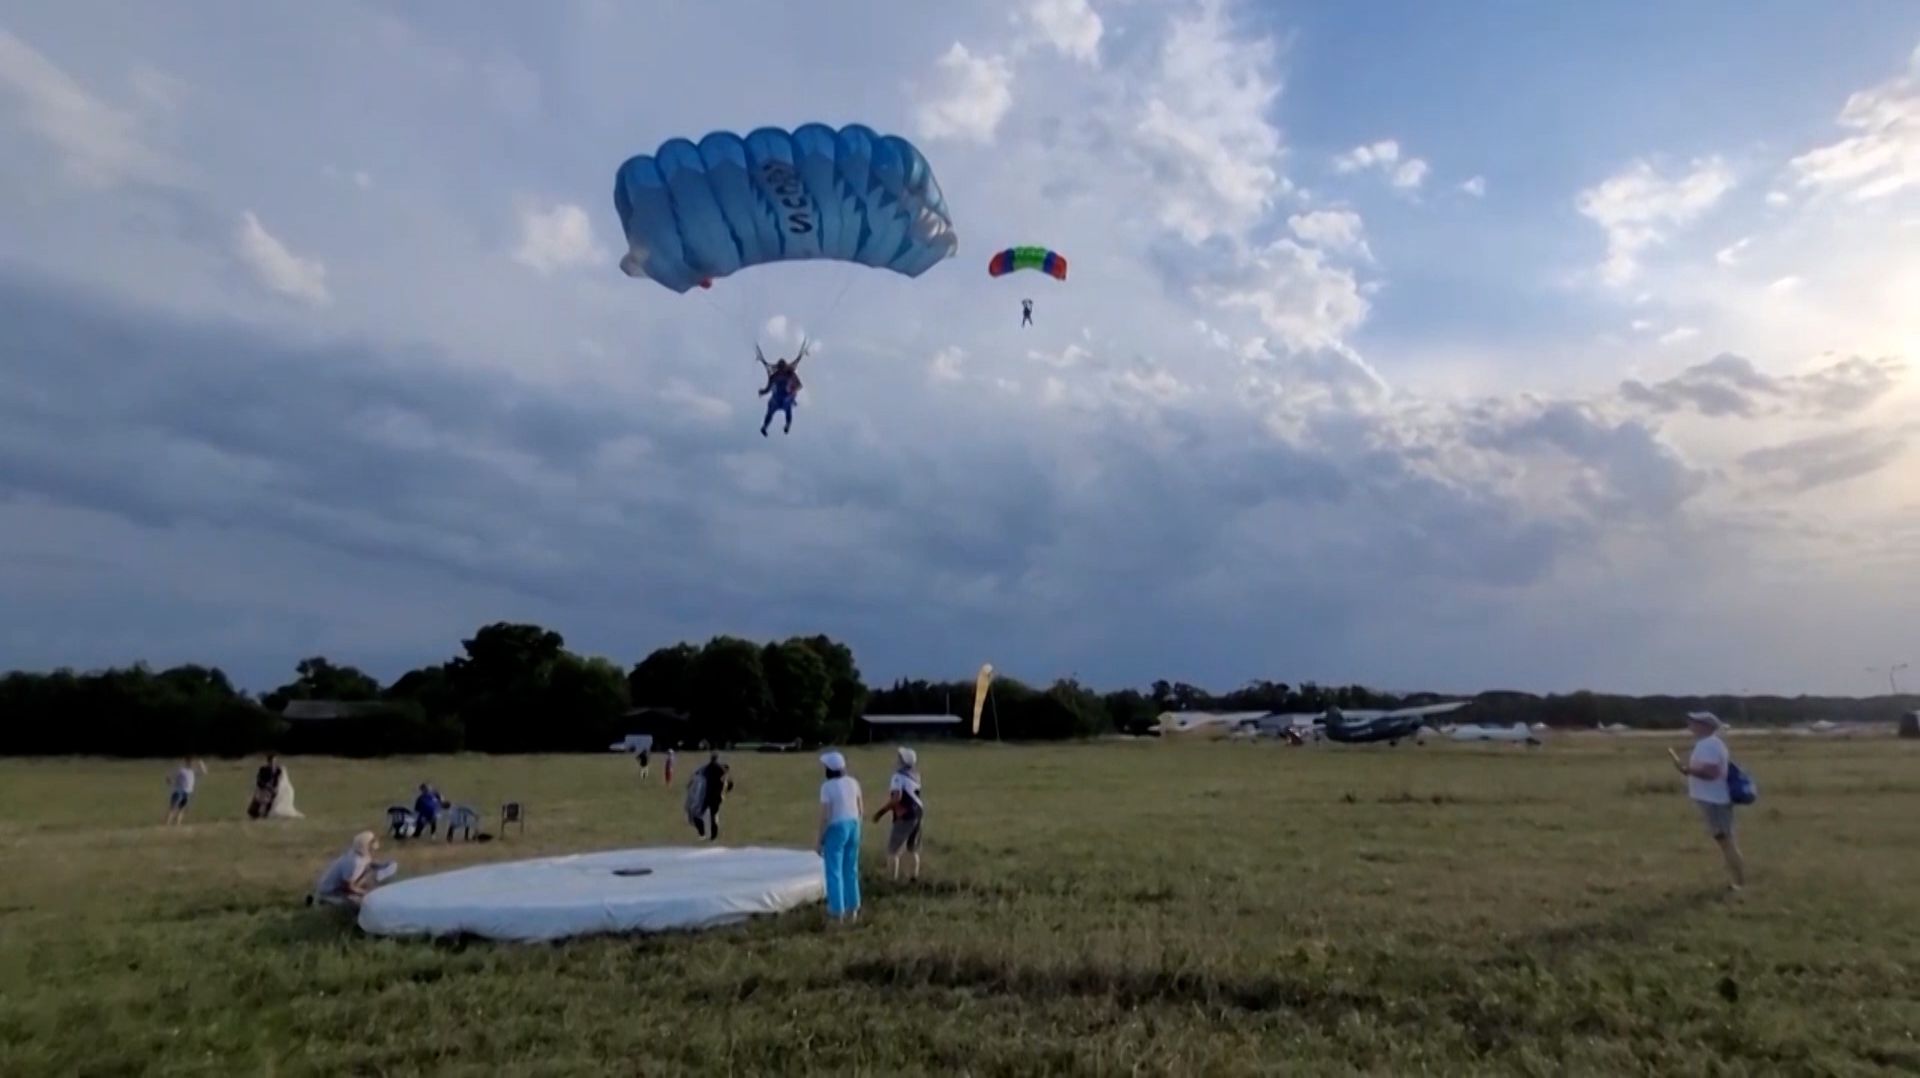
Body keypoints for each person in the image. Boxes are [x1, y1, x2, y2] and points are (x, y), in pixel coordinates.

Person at [1674, 711, 1746, 892]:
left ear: (1705, 726)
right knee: (1725, 841)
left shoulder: (1710, 745)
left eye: (1695, 722)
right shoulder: (1709, 743)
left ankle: (1739, 882)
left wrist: (1688, 770)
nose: (1691, 724)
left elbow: (1712, 773)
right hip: (1713, 800)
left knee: (1726, 842)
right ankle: (1738, 879)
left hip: (1715, 801)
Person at [817, 750, 864, 924]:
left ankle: (837, 912)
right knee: (851, 869)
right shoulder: (853, 782)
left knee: (834, 871)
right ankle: (853, 908)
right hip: (854, 825)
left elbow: (826, 816)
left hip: (836, 828)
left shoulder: (827, 787)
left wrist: (820, 839)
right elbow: (861, 808)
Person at [871, 747, 924, 881]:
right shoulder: (916, 775)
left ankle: (892, 880)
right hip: (918, 812)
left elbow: (897, 798)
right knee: (912, 848)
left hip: (905, 815)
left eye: (899, 758)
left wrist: (880, 813)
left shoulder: (898, 777)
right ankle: (914, 877)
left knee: (893, 850)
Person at [310, 831, 385, 908]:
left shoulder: (361, 854)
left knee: (371, 873)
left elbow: (371, 864)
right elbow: (348, 887)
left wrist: (386, 866)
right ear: (365, 846)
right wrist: (366, 893)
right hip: (331, 891)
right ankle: (322, 899)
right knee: (359, 904)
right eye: (372, 843)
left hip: (343, 885)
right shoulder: (354, 862)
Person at [756, 342, 807, 436]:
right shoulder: (774, 376)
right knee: (770, 412)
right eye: (780, 368)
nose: (781, 370)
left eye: (782, 368)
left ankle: (787, 425)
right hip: (776, 399)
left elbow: (799, 385)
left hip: (786, 397)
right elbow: (768, 388)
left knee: (788, 407)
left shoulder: (790, 374)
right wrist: (762, 392)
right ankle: (764, 427)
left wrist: (792, 390)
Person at [694, 752, 733, 842]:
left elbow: (697, 773)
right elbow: (728, 781)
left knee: (706, 816)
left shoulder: (710, 768)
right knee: (711, 816)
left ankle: (706, 835)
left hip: (710, 796)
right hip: (712, 796)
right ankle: (709, 836)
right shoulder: (718, 769)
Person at [165, 757, 203, 825]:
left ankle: (178, 824)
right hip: (178, 791)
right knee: (173, 808)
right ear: (187, 762)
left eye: (193, 763)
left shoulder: (192, 771)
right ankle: (167, 824)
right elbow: (169, 777)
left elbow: (204, 772)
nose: (192, 764)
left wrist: (201, 764)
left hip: (186, 793)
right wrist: (171, 782)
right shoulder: (181, 770)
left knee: (181, 809)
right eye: (191, 762)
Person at [248, 754, 283, 819]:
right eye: (271, 762)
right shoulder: (263, 769)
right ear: (268, 762)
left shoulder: (278, 770)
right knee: (259, 801)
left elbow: (279, 779)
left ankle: (265, 814)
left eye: (274, 762)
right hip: (262, 788)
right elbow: (259, 780)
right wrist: (266, 786)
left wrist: (275, 788)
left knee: (270, 801)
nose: (273, 763)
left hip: (272, 789)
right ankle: (255, 813)